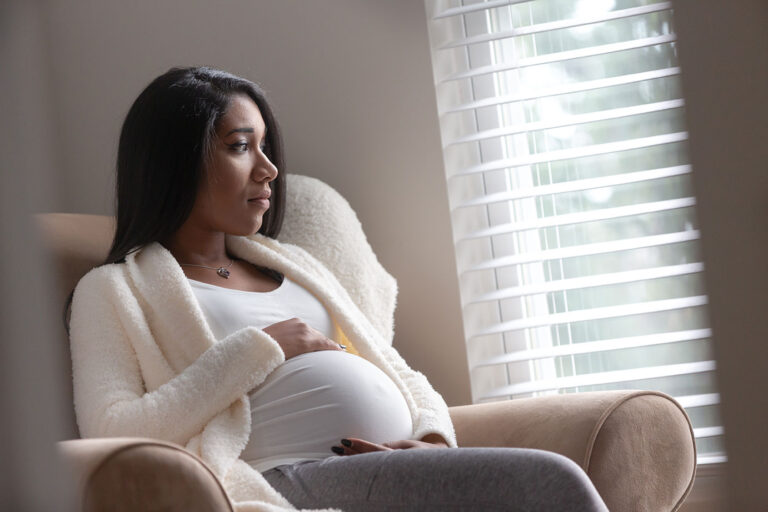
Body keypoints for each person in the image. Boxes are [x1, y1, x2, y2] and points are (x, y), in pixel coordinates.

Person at [67, 66, 608, 511]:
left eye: (265, 147)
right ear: (176, 162)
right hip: (278, 480)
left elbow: (398, 370)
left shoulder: (296, 265)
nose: (269, 169)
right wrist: (267, 345)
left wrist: (432, 441)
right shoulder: (113, 291)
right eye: (240, 147)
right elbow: (115, 431)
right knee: (550, 485)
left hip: (378, 468)